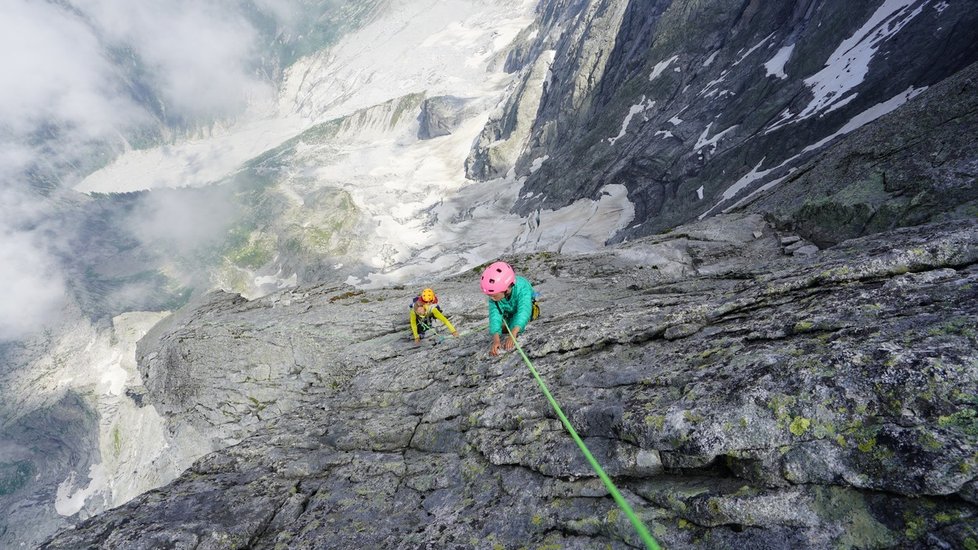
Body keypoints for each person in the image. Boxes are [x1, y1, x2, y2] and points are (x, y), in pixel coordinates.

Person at [479, 261, 538, 356]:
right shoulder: (497, 293)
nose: (491, 299)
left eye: (493, 296)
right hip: (509, 311)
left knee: (513, 325)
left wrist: (513, 333)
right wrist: (496, 340)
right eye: (489, 296)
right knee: (499, 326)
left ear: (506, 290)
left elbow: (524, 311)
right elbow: (494, 315)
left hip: (528, 310)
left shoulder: (522, 288)